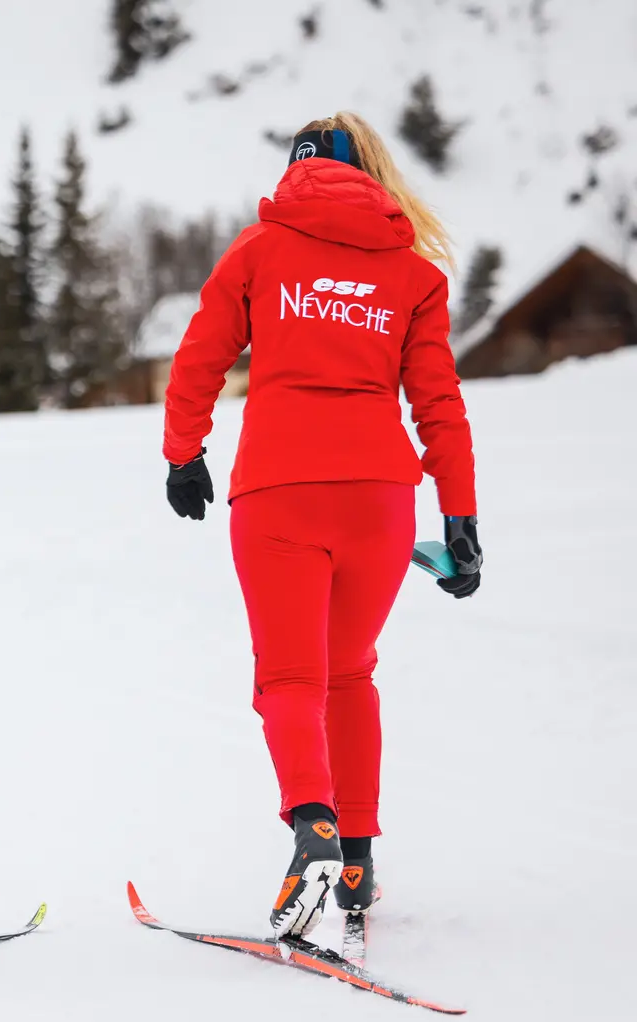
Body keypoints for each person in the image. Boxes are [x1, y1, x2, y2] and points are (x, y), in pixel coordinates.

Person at [162, 113, 481, 940]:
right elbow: (439, 402)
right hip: (381, 494)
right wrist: (461, 513)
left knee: (289, 680)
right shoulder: (412, 273)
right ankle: (358, 863)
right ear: (371, 172)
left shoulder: (259, 250)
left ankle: (314, 823)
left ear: (297, 169)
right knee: (351, 676)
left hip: (277, 487)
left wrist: (182, 453)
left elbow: (201, 352)